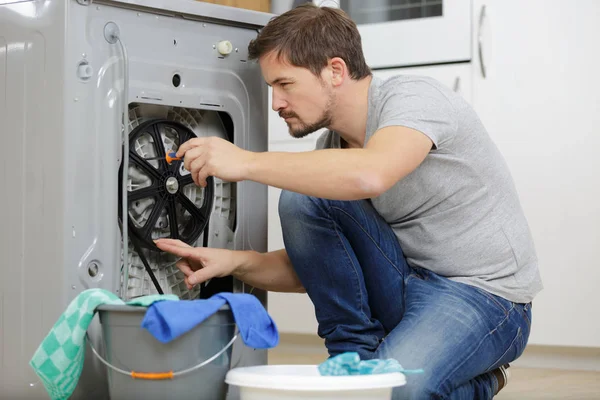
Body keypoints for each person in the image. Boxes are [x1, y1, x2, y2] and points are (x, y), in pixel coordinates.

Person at [155, 4, 541, 399]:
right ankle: (353, 362)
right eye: (272, 88)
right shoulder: (332, 150)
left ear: (335, 71)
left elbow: (372, 172)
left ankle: (458, 382)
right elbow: (322, 265)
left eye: (285, 84)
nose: (276, 103)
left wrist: (246, 162)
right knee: (306, 199)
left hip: (486, 298)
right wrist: (233, 262)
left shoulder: (414, 100)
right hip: (407, 283)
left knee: (396, 391)